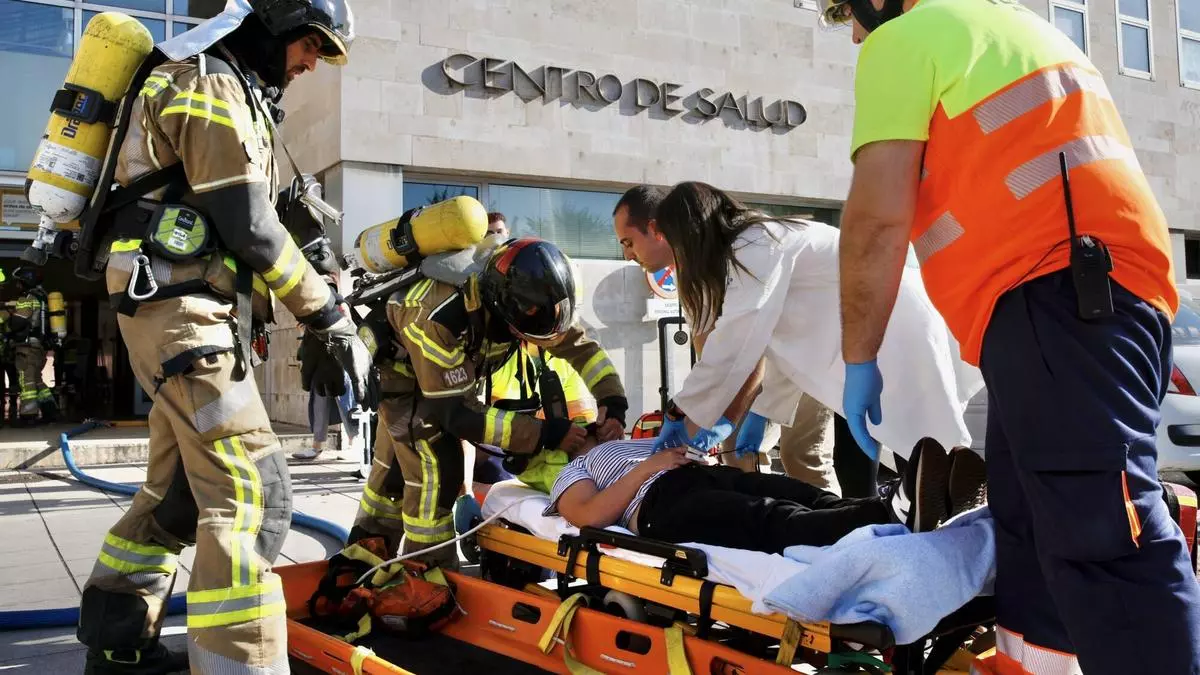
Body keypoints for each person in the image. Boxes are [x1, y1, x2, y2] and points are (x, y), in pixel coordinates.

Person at [825, 0, 1200, 670]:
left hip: (1058, 298)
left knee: (1106, 540)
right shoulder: (1013, 29)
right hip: (1080, 302)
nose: (852, 33)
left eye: (844, 12)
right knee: (1031, 534)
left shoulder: (909, 38)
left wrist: (859, 357)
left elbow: (876, 221)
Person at [74, 2, 367, 673]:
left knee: (175, 494)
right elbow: (249, 224)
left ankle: (118, 642)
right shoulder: (208, 82)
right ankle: (240, 663)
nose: (311, 62)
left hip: (174, 312)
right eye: (310, 44)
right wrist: (326, 316)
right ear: (275, 24)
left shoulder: (217, 82)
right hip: (182, 315)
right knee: (256, 494)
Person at [649, 182, 986, 532]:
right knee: (921, 452)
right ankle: (950, 531)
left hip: (892, 328)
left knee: (929, 452)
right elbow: (767, 346)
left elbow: (734, 341)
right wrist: (753, 412)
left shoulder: (755, 246)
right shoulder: (757, 243)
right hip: (879, 329)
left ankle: (963, 535)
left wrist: (682, 411)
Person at [348, 237, 629, 569]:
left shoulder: (537, 303)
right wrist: (546, 435)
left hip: (445, 378)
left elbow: (581, 349)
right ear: (506, 308)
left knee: (390, 475)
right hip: (405, 377)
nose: (537, 339)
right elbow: (459, 414)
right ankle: (428, 576)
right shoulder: (441, 316)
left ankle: (359, 563)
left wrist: (612, 400)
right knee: (437, 469)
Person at [613, 186, 869, 492]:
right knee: (741, 452)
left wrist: (684, 413)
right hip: (808, 351)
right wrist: (713, 420)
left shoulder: (754, 246)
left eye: (629, 242)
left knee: (803, 454)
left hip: (848, 341)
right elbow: (717, 354)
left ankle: (841, 528)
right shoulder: (701, 269)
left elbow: (738, 350)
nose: (627, 255)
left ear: (658, 229)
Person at [549, 433, 950, 553]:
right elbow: (589, 515)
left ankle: (910, 504)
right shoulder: (575, 467)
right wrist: (649, 467)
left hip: (704, 475)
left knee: (800, 493)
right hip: (663, 504)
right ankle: (890, 515)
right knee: (770, 517)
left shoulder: (641, 440)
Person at [5, 267, 57, 425]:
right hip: (39, 348)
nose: (18, 286)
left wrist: (9, 319)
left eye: (19, 283)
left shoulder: (26, 299)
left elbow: (18, 323)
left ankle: (28, 415)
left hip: (27, 349)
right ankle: (50, 411)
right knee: (36, 380)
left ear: (26, 282)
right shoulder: (43, 298)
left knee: (26, 382)